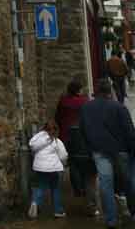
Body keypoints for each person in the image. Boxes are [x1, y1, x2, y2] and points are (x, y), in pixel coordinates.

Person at [80, 78, 135, 228]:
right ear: (109, 91)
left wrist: (90, 148)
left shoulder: (86, 108)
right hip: (121, 149)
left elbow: (83, 130)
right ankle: (132, 210)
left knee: (106, 185)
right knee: (128, 181)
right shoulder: (118, 107)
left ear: (96, 91)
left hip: (99, 150)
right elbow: (129, 131)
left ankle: (111, 219)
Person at [55, 76, 98, 215]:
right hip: (79, 135)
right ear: (78, 90)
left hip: (66, 135)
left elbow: (57, 116)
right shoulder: (84, 101)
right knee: (83, 162)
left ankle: (77, 188)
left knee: (72, 162)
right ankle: (84, 189)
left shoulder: (63, 100)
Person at [28, 119, 69, 219]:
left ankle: (35, 202)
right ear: (56, 129)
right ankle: (58, 211)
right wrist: (62, 162)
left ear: (44, 128)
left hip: (40, 168)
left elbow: (32, 146)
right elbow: (63, 155)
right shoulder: (56, 141)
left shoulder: (37, 138)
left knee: (40, 187)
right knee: (55, 189)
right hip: (53, 169)